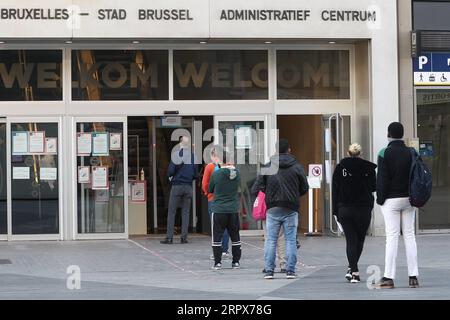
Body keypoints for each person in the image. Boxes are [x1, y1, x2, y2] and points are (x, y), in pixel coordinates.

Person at [252, 138, 309, 279]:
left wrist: (269, 193)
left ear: (276, 150)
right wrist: (295, 195)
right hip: (291, 207)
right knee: (290, 240)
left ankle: (269, 270)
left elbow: (258, 186)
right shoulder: (296, 166)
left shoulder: (269, 166)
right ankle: (290, 270)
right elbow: (304, 187)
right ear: (289, 150)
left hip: (272, 208)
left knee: (271, 239)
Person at [376, 122, 419, 289]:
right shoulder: (411, 152)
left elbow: (382, 180)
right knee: (409, 235)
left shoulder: (384, 152)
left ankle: (388, 277)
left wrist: (381, 199)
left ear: (389, 134)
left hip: (391, 200)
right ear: (402, 134)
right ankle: (413, 276)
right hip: (409, 199)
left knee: (392, 237)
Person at [332, 143, 377, 283]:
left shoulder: (340, 168)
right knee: (360, 239)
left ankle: (353, 270)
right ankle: (353, 269)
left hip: (345, 209)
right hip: (363, 208)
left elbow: (335, 191)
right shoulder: (369, 169)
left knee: (350, 240)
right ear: (361, 153)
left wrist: (335, 211)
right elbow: (373, 187)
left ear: (348, 152)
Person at [161, 136, 198, 244]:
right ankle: (184, 237)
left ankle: (169, 237)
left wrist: (172, 176)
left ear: (180, 144)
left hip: (177, 186)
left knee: (172, 212)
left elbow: (170, 171)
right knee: (185, 212)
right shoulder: (193, 156)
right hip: (188, 187)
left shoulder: (176, 155)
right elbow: (196, 174)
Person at [208, 152, 241, 270]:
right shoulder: (237, 174)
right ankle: (236, 262)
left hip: (219, 209)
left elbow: (210, 189)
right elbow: (238, 188)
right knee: (235, 236)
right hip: (233, 209)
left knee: (217, 236)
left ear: (221, 161)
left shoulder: (216, 174)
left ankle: (217, 263)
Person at [202, 146, 230, 260]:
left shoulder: (209, 167)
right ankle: (225, 250)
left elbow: (205, 184)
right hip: (227, 200)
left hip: (213, 200)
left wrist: (207, 193)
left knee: (216, 227)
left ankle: (217, 251)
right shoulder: (229, 167)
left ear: (214, 155)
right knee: (226, 226)